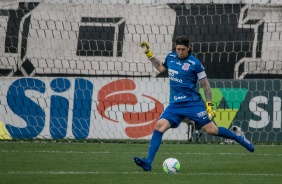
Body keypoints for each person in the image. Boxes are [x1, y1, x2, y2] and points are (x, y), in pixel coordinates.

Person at [133, 35, 254, 171]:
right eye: (178, 49)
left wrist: (209, 105)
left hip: (192, 103)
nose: (180, 52)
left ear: (188, 48)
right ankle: (148, 162)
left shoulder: (195, 64)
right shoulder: (171, 57)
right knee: (159, 127)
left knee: (211, 130)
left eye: (183, 49)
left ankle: (239, 138)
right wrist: (149, 54)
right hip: (175, 105)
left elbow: (206, 86)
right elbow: (161, 69)